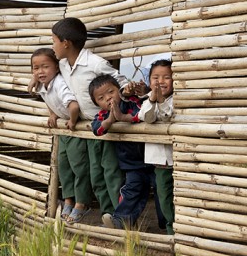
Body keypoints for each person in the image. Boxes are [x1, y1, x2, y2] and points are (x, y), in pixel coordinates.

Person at [48, 18, 129, 218]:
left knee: (111, 172)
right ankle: (107, 214)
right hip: (87, 130)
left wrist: (115, 107)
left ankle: (121, 216)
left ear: (66, 43)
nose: (53, 46)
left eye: (54, 41)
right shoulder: (63, 65)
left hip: (105, 127)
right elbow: (46, 72)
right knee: (95, 175)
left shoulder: (94, 63)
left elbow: (122, 83)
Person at [31, 48, 91, 224]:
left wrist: (72, 121)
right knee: (64, 167)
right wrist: (53, 114)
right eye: (36, 68)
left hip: (75, 130)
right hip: (64, 132)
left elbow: (73, 106)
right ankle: (68, 200)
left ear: (57, 68)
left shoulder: (59, 83)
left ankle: (82, 204)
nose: (40, 71)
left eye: (45, 66)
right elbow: (48, 100)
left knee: (78, 167)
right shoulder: (44, 85)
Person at [89, 74, 156, 229]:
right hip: (131, 164)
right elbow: (97, 130)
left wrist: (123, 116)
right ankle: (121, 221)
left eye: (111, 92)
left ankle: (166, 224)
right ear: (96, 103)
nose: (108, 98)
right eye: (101, 97)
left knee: (159, 192)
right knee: (132, 191)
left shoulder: (131, 103)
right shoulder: (102, 115)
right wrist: (111, 120)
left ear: (118, 90)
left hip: (152, 159)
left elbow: (141, 114)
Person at [140, 59, 174, 235]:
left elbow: (168, 116)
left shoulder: (178, 100)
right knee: (164, 196)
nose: (160, 81)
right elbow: (146, 117)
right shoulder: (147, 100)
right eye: (155, 77)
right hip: (159, 161)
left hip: (178, 158)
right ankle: (171, 230)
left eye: (166, 77)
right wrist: (154, 99)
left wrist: (161, 101)